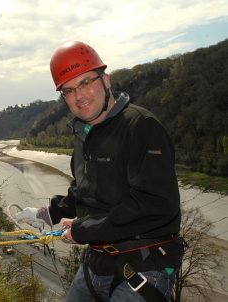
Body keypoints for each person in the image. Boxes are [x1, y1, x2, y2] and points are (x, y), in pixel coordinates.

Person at [16, 41, 184, 302]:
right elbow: (85, 191)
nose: (79, 96)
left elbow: (156, 205)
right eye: (69, 90)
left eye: (85, 83)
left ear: (106, 79)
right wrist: (50, 213)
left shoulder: (140, 127)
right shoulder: (85, 136)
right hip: (98, 261)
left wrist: (84, 230)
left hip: (146, 265)